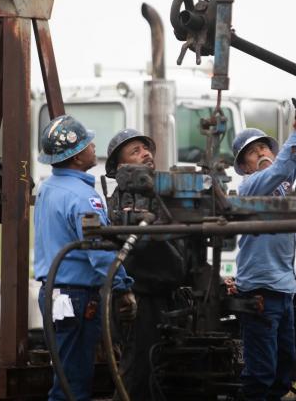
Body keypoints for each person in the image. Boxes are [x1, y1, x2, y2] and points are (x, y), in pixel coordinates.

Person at [231, 89, 296, 400]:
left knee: (282, 370)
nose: (261, 151)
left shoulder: (284, 182)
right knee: (260, 374)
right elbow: (281, 168)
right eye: (252, 151)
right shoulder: (251, 186)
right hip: (260, 291)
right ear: (245, 166)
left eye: (264, 146)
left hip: (285, 290)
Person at [33, 115, 137, 401]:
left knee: (66, 373)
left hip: (54, 294)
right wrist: (123, 288)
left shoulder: (48, 188)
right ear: (77, 156)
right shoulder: (82, 197)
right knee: (73, 383)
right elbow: (100, 252)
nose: (94, 148)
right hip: (77, 298)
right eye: (88, 144)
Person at [105, 129, 188, 400]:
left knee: (161, 373)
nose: (146, 154)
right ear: (120, 167)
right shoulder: (122, 201)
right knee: (138, 371)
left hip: (167, 297)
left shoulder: (161, 192)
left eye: (145, 148)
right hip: (138, 299)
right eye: (136, 151)